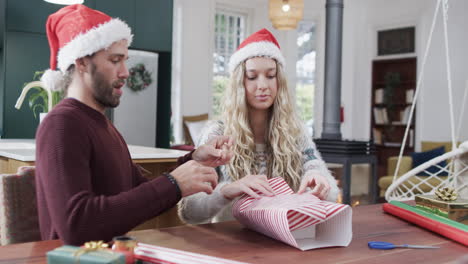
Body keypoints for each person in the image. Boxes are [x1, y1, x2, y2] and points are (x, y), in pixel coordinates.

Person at [35, 4, 232, 245]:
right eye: (115, 60)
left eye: (125, 61)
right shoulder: (62, 124)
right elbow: (77, 226)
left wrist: (194, 161)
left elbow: (139, 194)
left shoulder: (103, 125)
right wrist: (174, 184)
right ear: (82, 63)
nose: (126, 72)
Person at [178, 29, 339, 224]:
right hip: (232, 240)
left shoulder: (295, 131)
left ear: (279, 81)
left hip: (285, 237)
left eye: (270, 76)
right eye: (252, 77)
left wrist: (318, 177)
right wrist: (226, 191)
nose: (263, 85)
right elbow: (189, 211)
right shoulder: (217, 134)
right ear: (239, 83)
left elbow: (329, 190)